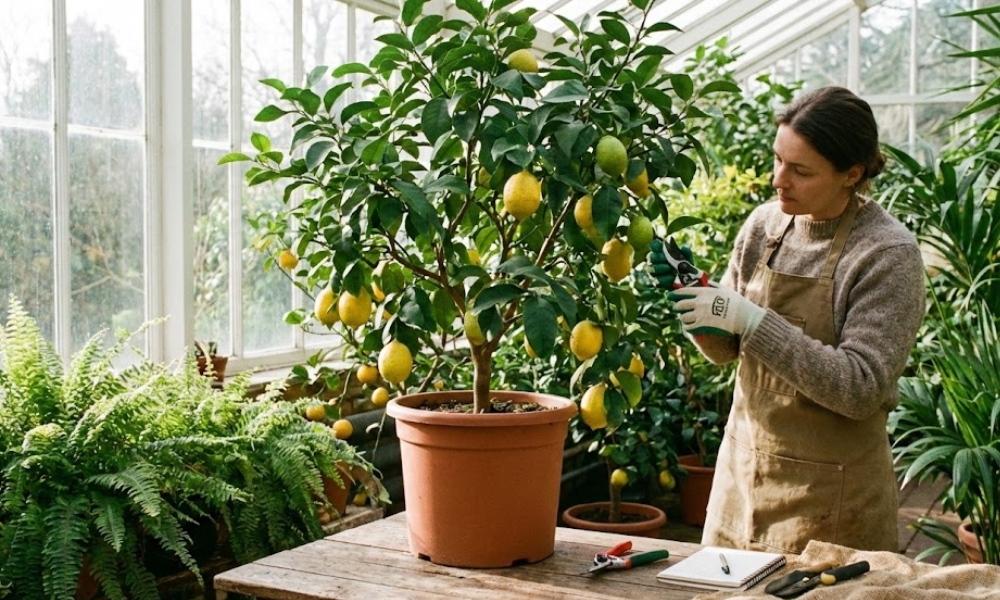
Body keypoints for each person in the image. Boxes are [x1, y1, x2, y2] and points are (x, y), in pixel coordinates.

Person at [650, 86, 926, 554]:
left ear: (851, 175)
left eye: (800, 171)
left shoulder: (886, 254)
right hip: (743, 477)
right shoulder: (765, 226)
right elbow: (725, 352)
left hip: (833, 499)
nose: (779, 180)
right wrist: (697, 302)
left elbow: (859, 388)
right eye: (778, 159)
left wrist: (754, 321)